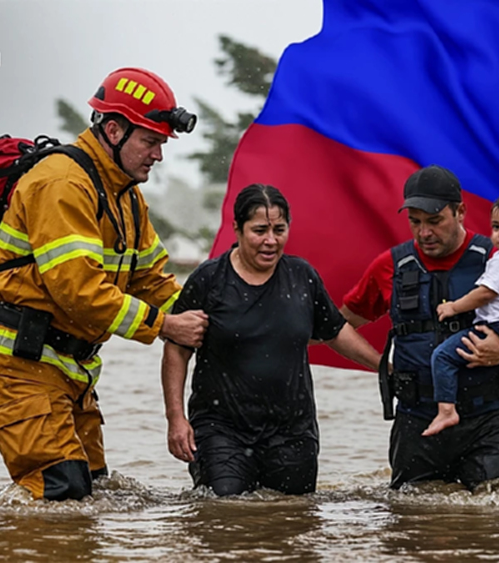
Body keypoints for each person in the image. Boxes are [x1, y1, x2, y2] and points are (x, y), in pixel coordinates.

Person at [0, 68, 209, 501]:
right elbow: (80, 292)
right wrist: (166, 326)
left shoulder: (126, 194)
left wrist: (218, 316)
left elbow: (152, 281)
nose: (158, 155)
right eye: (150, 141)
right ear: (114, 130)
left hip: (69, 369)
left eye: (162, 144)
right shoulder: (62, 183)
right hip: (17, 364)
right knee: (62, 494)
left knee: (97, 495)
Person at [340, 165, 499, 490]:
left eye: (435, 221)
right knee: (412, 516)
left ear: (461, 212)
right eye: (415, 222)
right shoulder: (390, 266)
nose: (424, 232)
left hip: (488, 421)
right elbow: (337, 326)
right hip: (417, 421)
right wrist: (383, 365)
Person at [161, 184, 381, 497]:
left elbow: (335, 331)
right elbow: (176, 350)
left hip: (292, 432)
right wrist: (176, 418)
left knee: (292, 516)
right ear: (237, 228)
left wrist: (383, 366)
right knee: (224, 512)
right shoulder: (209, 280)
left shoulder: (302, 276)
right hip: (221, 429)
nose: (271, 240)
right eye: (260, 230)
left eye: (279, 230)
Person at [423, 190, 499, 440]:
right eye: (497, 227)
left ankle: (446, 411)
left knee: (442, 357)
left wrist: (454, 307)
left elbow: (485, 294)